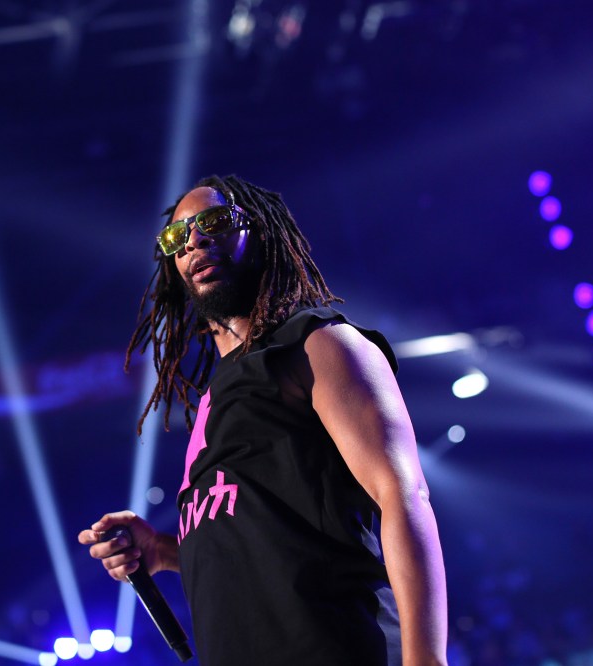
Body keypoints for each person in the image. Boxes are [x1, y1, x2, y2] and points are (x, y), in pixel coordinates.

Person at [78, 175, 447, 665]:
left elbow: (403, 496)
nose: (194, 241)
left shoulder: (317, 345)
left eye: (214, 221)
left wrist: (426, 660)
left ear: (260, 233)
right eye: (177, 236)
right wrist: (165, 552)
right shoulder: (214, 399)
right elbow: (262, 551)